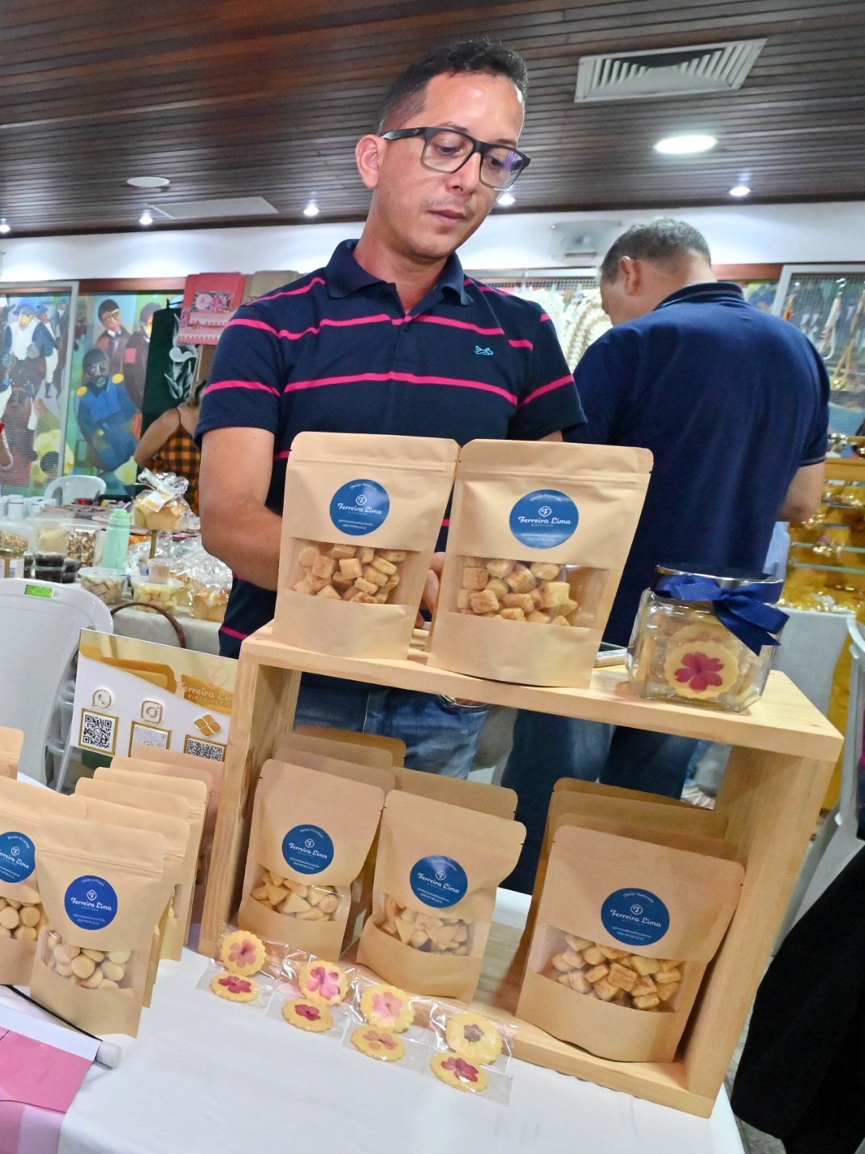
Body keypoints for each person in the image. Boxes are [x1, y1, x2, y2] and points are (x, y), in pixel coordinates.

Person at [197, 37, 582, 775]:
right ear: (374, 158)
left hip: (441, 693)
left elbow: (544, 519)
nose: (468, 180)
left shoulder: (524, 334)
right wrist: (398, 578)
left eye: (496, 159)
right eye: (447, 146)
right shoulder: (269, 325)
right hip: (285, 676)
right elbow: (229, 519)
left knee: (413, 889)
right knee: (260, 888)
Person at [499, 218, 831, 890]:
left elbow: (572, 493)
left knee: (545, 800)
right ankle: (607, 937)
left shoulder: (631, 344)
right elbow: (801, 502)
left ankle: (511, 949)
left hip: (595, 625)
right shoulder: (801, 354)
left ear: (629, 272)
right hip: (714, 633)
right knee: (645, 806)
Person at [73, 347, 137, 483]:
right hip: (103, 434)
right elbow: (84, 423)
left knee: (135, 461)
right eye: (92, 369)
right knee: (113, 466)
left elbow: (130, 404)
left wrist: (130, 421)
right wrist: (95, 439)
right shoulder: (82, 395)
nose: (98, 373)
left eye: (102, 366)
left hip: (125, 428)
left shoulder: (118, 382)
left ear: (107, 365)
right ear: (87, 372)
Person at [136, 377, 201, 496]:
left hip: (204, 508)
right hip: (168, 504)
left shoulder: (220, 426)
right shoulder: (172, 419)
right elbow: (141, 457)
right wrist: (162, 480)